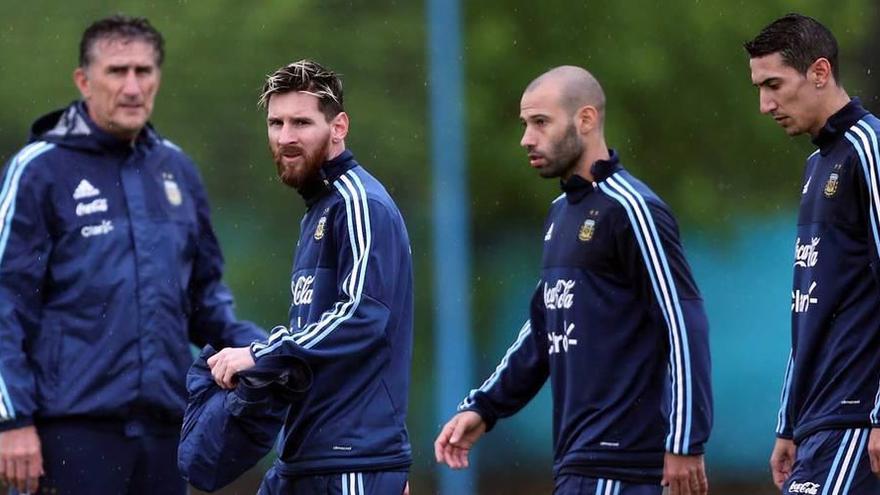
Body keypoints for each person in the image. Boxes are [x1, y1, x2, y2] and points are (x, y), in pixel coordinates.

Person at [0, 15, 265, 495]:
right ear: (84, 80)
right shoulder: (39, 170)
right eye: (117, 71)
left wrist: (266, 352)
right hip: (70, 431)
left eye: (143, 72)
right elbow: (6, 302)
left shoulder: (177, 170)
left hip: (166, 428)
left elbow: (205, 301)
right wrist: (11, 419)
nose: (131, 86)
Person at [433, 66, 713, 495]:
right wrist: (485, 407)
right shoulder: (560, 214)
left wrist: (684, 440)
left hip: (623, 463)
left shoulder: (632, 209)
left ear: (585, 120)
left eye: (541, 122)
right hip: (577, 461)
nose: (526, 138)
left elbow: (683, 320)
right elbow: (545, 328)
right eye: (525, 124)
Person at [207, 59, 413, 495]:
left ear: (339, 127)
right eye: (276, 122)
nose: (285, 137)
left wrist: (261, 353)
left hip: (353, 460)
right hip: (307, 457)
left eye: (301, 122)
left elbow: (362, 317)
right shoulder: (318, 211)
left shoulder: (359, 204)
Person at [745, 13, 880, 494]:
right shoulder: (817, 165)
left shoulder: (870, 149)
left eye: (774, 85)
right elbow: (811, 305)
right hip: (819, 422)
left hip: (858, 418)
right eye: (759, 88)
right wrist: (789, 421)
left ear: (820, 72)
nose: (765, 105)